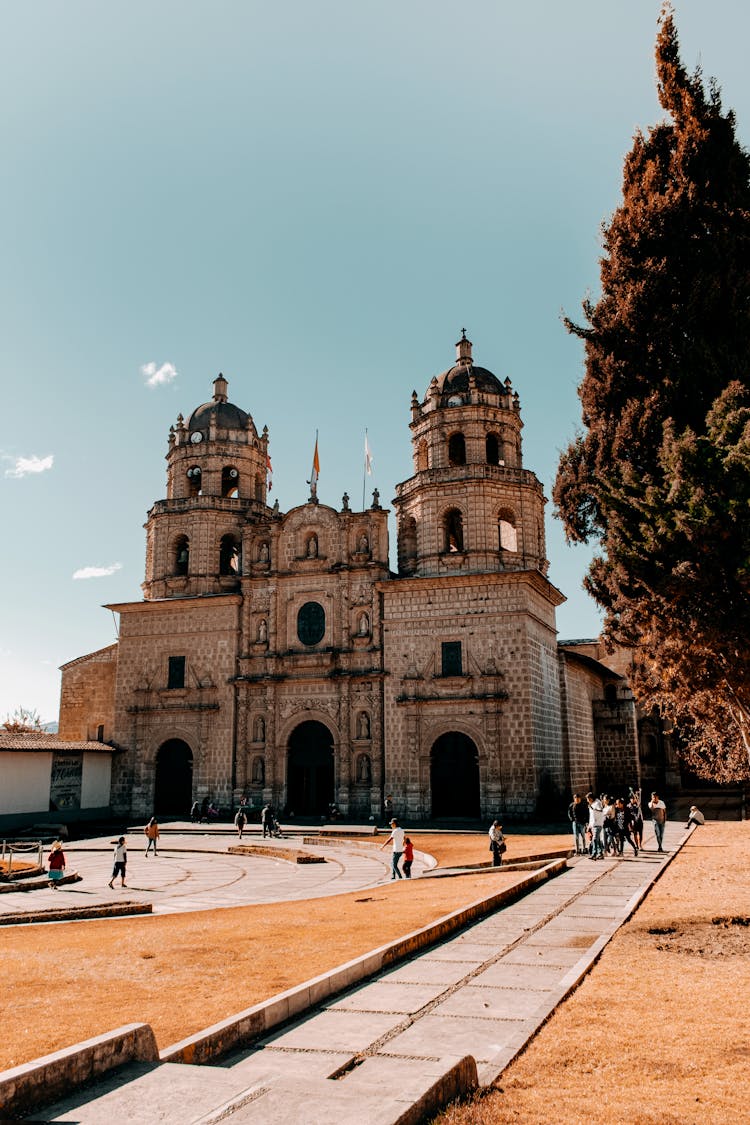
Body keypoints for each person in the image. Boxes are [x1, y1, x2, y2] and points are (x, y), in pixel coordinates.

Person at [586, 792, 605, 859]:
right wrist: (589, 826)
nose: (587, 801)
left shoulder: (597, 802)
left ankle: (594, 854)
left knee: (594, 839)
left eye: (588, 799)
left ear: (590, 798)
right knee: (598, 840)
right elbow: (591, 816)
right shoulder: (591, 804)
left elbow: (601, 810)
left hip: (598, 824)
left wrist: (592, 808)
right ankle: (600, 854)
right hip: (593, 824)